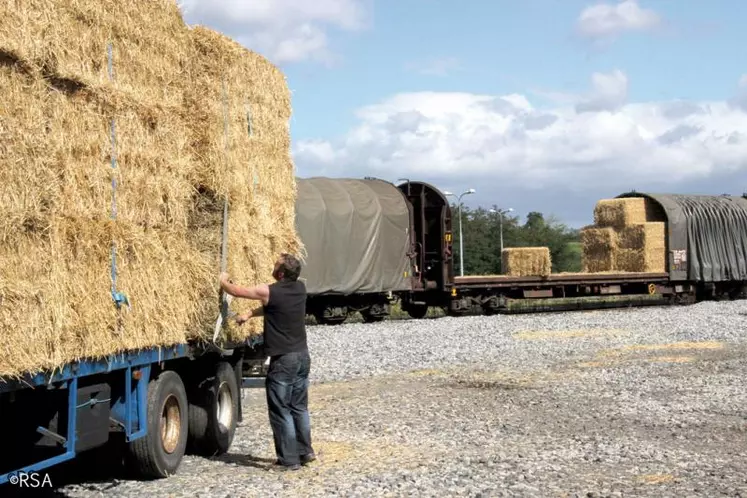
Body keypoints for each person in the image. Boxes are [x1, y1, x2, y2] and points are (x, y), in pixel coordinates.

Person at [219, 253, 315, 471]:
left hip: (284, 361)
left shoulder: (268, 291)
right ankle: (305, 452)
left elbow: (237, 291)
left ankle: (289, 461)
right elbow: (274, 307)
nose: (273, 266)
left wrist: (223, 280)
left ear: (280, 273)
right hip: (302, 357)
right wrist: (250, 314)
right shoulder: (300, 289)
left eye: (276, 265)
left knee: (281, 410)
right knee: (299, 407)